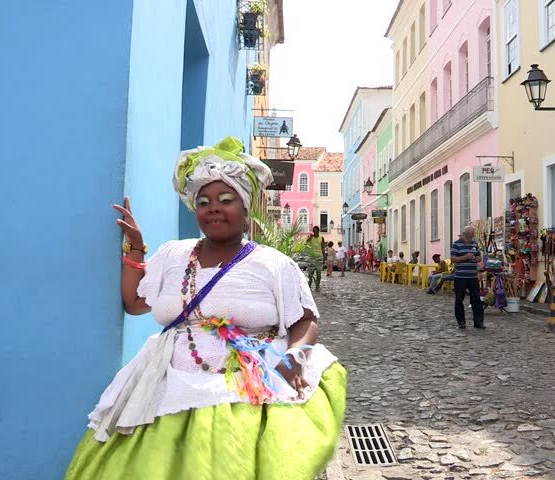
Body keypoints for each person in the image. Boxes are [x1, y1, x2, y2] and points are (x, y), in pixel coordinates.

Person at [66, 137, 346, 479]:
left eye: (226, 199)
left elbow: (305, 320)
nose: (213, 208)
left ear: (245, 208)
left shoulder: (273, 264)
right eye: (203, 202)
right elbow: (136, 303)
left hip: (246, 390)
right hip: (169, 388)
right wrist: (136, 252)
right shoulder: (173, 255)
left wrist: (294, 361)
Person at [451, 225, 485, 329]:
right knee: (459, 299)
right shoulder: (456, 244)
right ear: (464, 235)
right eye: (470, 236)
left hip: (473, 276)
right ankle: (461, 321)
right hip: (460, 276)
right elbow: (453, 259)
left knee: (476, 299)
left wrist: (478, 258)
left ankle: (478, 322)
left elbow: (478, 256)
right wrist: (466, 257)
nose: (471, 238)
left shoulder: (475, 244)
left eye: (472, 236)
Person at [306, 226, 325, 292]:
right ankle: (309, 285)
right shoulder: (310, 237)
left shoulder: (321, 238)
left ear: (318, 231)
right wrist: (310, 237)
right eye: (314, 231)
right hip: (311, 257)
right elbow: (306, 243)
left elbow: (323, 248)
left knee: (318, 274)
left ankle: (317, 286)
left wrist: (324, 257)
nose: (315, 232)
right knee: (310, 273)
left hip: (319, 257)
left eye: (316, 231)